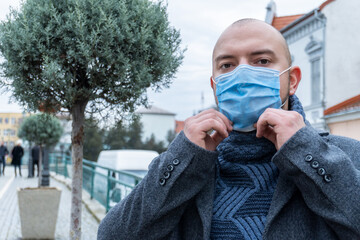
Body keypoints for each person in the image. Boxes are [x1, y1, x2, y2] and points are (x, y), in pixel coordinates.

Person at [97, 19, 360, 239]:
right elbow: (111, 235)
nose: (242, 73)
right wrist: (184, 156)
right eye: (227, 65)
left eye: (262, 61)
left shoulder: (345, 155)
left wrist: (304, 149)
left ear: (292, 80)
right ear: (215, 86)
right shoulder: (191, 164)